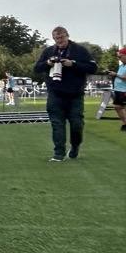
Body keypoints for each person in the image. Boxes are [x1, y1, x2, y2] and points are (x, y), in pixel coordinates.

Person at [33, 26, 97, 161]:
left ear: (67, 35)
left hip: (75, 94)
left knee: (77, 124)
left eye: (61, 37)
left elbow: (93, 68)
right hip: (55, 93)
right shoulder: (49, 51)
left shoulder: (80, 51)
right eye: (56, 38)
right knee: (57, 123)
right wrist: (48, 63)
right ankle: (58, 154)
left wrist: (72, 63)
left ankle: (75, 146)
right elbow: (37, 68)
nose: (59, 40)